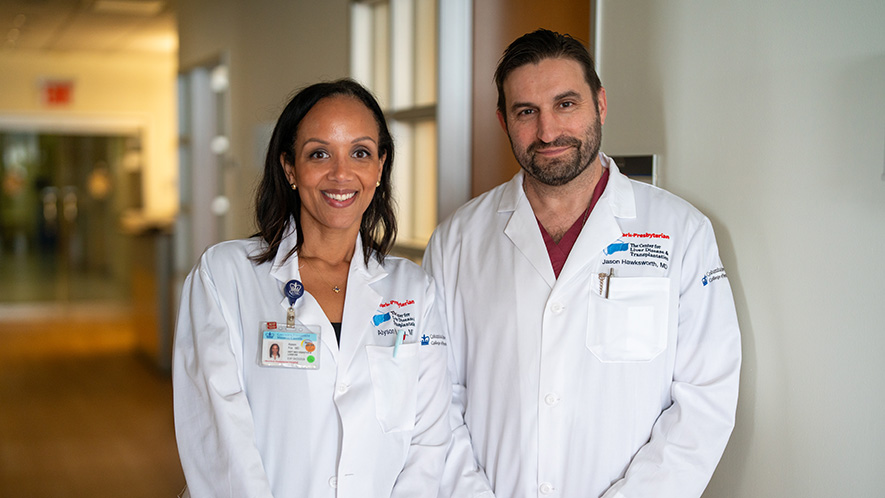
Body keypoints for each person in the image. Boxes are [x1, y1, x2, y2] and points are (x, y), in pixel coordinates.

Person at [424, 29, 741, 498]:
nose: (548, 131)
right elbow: (434, 401)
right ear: (503, 120)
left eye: (565, 104)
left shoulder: (682, 233)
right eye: (526, 112)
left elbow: (705, 401)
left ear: (601, 104)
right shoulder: (456, 241)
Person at [173, 79, 451, 498]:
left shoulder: (414, 290)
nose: (341, 174)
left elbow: (428, 441)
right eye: (319, 153)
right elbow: (218, 436)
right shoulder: (225, 276)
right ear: (290, 167)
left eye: (360, 153)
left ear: (379, 166)